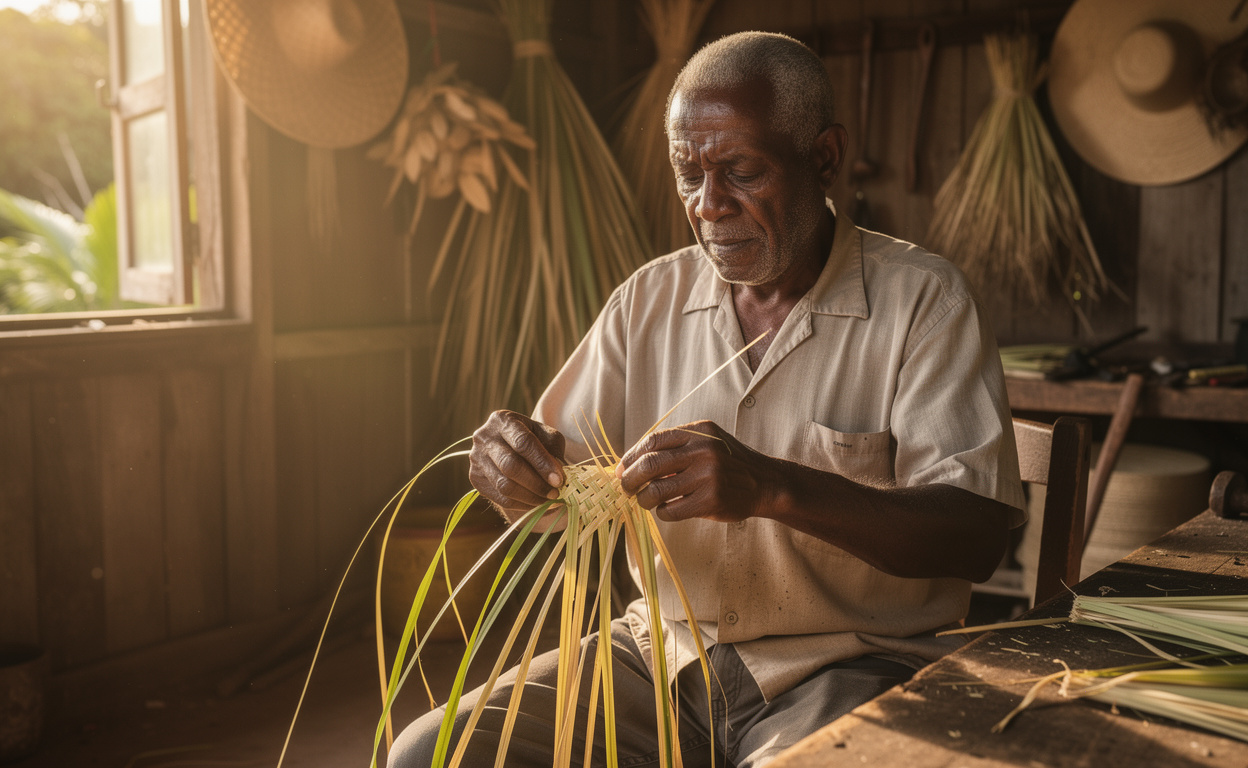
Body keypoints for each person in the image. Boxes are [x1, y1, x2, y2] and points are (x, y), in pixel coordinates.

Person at [389, 30, 1025, 768]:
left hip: (848, 664)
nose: (708, 205)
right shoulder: (648, 302)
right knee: (427, 754)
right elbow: (559, 494)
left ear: (824, 157)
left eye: (741, 171)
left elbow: (975, 536)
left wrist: (773, 487)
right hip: (660, 655)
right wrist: (516, 473)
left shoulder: (924, 302)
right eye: (688, 174)